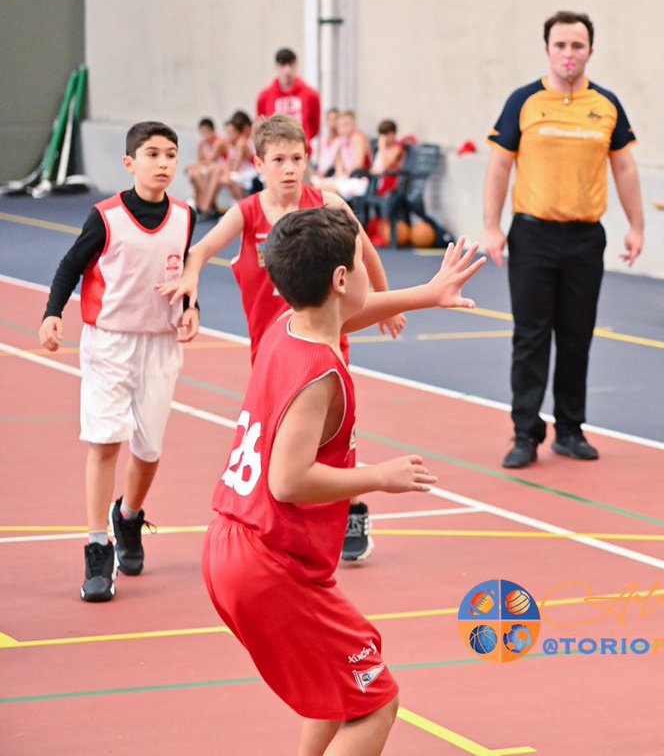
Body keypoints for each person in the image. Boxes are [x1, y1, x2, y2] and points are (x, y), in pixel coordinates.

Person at [202, 207, 483, 756]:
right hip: (268, 563)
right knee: (376, 702)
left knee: (341, 691)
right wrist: (379, 476)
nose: (364, 274)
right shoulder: (319, 376)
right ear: (339, 279)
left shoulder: (289, 326)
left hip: (236, 546)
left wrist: (427, 294)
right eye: (359, 263)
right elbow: (288, 481)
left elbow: (346, 315)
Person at [160, 114, 405, 563]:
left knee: (333, 437)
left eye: (296, 158)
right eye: (278, 160)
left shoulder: (327, 204)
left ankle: (352, 507)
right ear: (258, 164)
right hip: (272, 350)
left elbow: (366, 251)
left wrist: (387, 300)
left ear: (307, 159)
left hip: (326, 342)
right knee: (280, 441)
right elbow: (200, 250)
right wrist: (190, 284)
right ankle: (286, 517)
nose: (289, 168)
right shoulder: (247, 213)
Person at [38, 121, 201, 602]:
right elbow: (70, 265)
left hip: (161, 344)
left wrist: (191, 308)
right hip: (109, 343)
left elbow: (184, 273)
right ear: (130, 163)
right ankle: (97, 547)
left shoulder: (185, 216)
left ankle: (128, 515)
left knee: (148, 450)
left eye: (170, 154)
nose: (163, 163)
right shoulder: (105, 217)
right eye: (152, 154)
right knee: (106, 441)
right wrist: (52, 313)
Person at [483, 10, 645, 469]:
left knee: (576, 337)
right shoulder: (524, 101)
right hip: (532, 236)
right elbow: (499, 166)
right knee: (530, 337)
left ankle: (570, 430)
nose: (568, 54)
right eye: (560, 45)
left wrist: (636, 226)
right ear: (547, 50)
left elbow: (624, 167)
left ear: (590, 51)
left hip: (585, 238)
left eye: (577, 46)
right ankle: (525, 433)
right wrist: (492, 226)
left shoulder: (607, 105)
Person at [256, 47, 321, 147]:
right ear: (276, 67)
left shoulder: (311, 95)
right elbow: (261, 127)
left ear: (296, 66)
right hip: (275, 150)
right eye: (282, 65)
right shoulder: (264, 97)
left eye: (291, 65)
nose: (287, 70)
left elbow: (315, 127)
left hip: (302, 150)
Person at [186, 117, 226, 213]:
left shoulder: (219, 142)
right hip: (209, 167)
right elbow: (201, 159)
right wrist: (200, 147)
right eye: (202, 133)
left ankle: (205, 205)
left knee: (209, 172)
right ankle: (202, 203)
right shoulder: (203, 143)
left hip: (219, 168)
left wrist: (195, 165)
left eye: (206, 132)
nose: (204, 135)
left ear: (212, 130)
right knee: (193, 174)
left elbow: (210, 160)